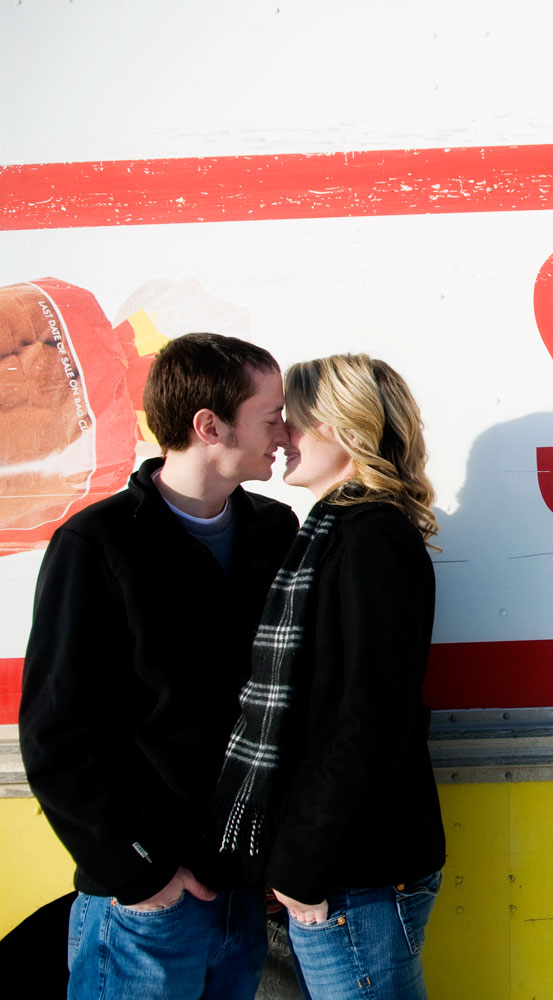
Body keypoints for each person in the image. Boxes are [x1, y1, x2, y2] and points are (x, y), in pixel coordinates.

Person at [20, 332, 299, 999]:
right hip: (148, 909)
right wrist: (142, 872)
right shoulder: (98, 544)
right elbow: (56, 735)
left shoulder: (274, 531)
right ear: (210, 426)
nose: (286, 434)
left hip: (242, 897)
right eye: (271, 416)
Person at [213, 354, 445, 1000]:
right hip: (341, 868)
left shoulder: (373, 539)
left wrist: (304, 863)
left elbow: (371, 719)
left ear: (342, 427)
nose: (281, 434)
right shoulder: (334, 531)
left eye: (293, 419)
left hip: (355, 874)